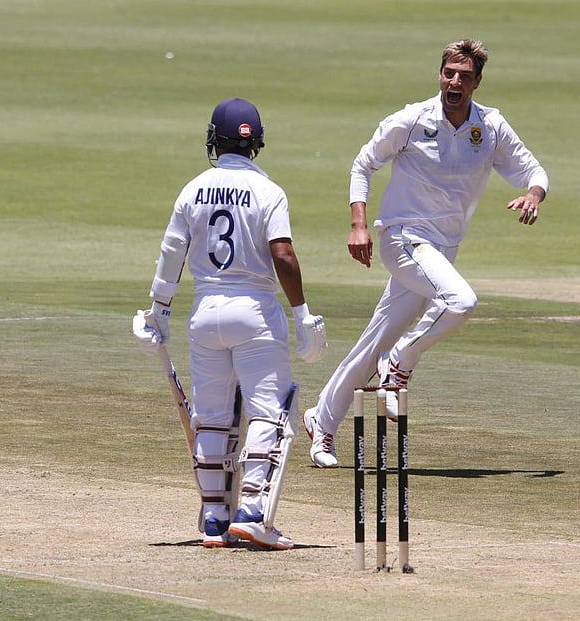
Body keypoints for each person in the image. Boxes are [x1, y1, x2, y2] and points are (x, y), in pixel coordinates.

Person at [302, 40, 549, 468]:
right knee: (461, 302)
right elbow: (364, 164)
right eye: (449, 73)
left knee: (374, 341)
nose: (455, 82)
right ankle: (399, 362)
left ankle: (320, 420)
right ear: (439, 74)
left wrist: (534, 194)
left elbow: (533, 169)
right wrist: (359, 224)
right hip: (403, 238)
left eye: (464, 76)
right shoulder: (412, 118)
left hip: (441, 251)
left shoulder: (490, 126)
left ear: (477, 82)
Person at [133, 97, 327, 548]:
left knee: (213, 417)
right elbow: (283, 254)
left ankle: (215, 518)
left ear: (213, 140)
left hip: (205, 313)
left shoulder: (193, 189)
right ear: (256, 141)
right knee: (269, 411)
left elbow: (171, 253)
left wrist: (158, 311)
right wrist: (302, 315)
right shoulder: (268, 191)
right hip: (255, 311)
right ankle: (253, 511)